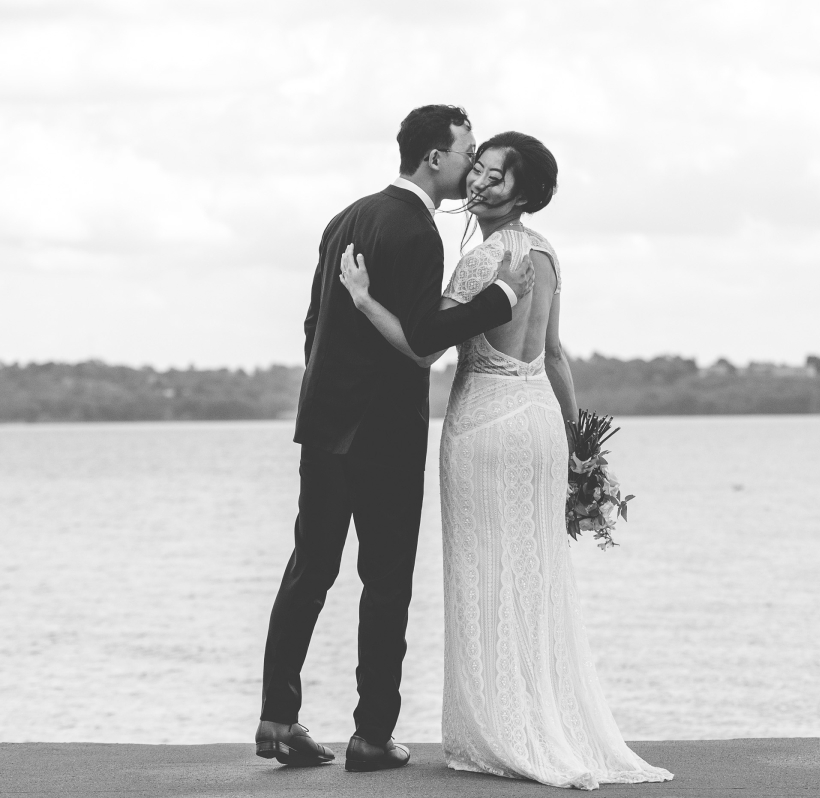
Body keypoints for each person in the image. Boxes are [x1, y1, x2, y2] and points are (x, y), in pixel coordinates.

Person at [339, 132, 673, 789]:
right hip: (541, 420)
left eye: (494, 179)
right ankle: (541, 717)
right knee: (533, 573)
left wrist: (362, 297)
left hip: (484, 424)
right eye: (480, 172)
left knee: (484, 570)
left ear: (522, 195)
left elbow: (420, 348)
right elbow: (554, 355)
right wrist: (580, 442)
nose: (478, 186)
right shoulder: (545, 255)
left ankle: (500, 729)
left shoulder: (480, 263)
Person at [256, 105, 536, 772]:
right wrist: (499, 298)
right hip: (383, 434)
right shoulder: (416, 232)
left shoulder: (346, 217)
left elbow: (313, 323)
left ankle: (275, 721)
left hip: (325, 423)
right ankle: (372, 735)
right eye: (467, 150)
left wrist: (329, 392)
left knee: (309, 572)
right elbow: (422, 339)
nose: (473, 163)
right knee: (386, 583)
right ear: (434, 158)